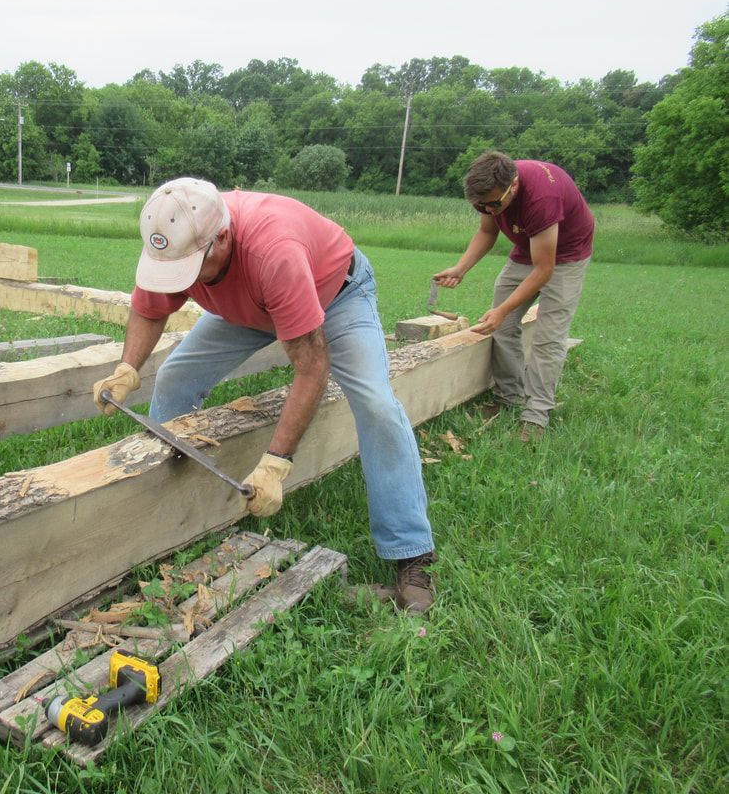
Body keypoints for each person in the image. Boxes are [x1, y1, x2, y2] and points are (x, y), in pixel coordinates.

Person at [92, 178, 437, 614]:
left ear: (222, 238)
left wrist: (275, 464)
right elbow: (147, 308)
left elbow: (311, 367)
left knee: (376, 405)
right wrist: (127, 368)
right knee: (176, 377)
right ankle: (173, 509)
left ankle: (411, 554)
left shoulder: (273, 252)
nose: (183, 280)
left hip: (336, 296)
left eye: (192, 267)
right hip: (247, 305)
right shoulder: (179, 238)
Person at [434, 151, 594, 442]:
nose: (490, 210)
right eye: (481, 205)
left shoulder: (541, 199)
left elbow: (544, 270)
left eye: (495, 203)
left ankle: (536, 415)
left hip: (566, 256)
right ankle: (510, 398)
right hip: (525, 250)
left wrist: (503, 309)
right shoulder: (489, 194)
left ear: (515, 185)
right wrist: (461, 268)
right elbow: (487, 231)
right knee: (503, 328)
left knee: (548, 337)